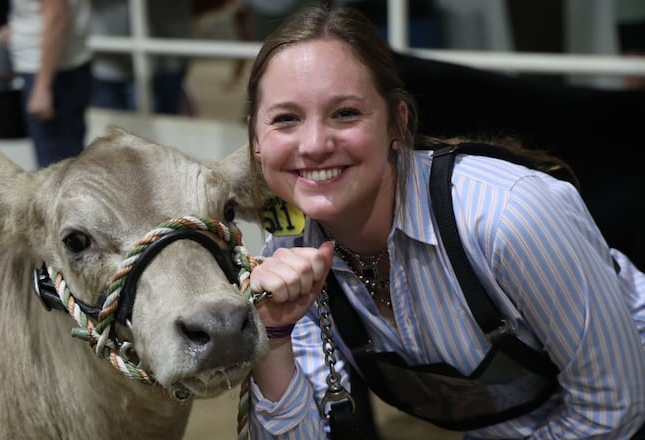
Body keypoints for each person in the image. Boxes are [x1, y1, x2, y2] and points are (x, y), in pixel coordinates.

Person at [244, 4, 645, 440]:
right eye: (286, 119)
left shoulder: (506, 216)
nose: (316, 144)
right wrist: (274, 339)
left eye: (346, 113)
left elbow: (615, 408)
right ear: (256, 141)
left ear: (397, 122)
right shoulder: (289, 250)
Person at [6, 0, 92, 168]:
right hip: (55, 69)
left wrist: (42, 88)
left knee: (55, 172)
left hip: (51, 73)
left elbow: (57, 19)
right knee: (63, 168)